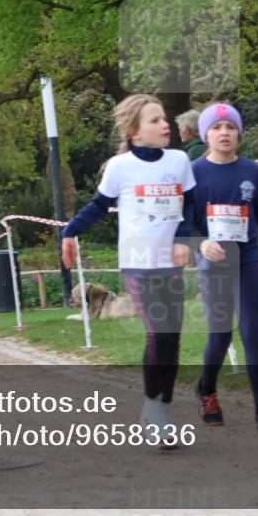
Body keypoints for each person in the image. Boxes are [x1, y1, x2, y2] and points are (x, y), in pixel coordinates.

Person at [61, 94, 195, 449]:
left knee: (173, 339)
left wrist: (184, 238)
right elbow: (98, 206)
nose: (164, 124)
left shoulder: (180, 161)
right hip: (139, 262)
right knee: (159, 335)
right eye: (154, 121)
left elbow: (192, 204)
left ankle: (161, 408)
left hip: (171, 262)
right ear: (134, 132)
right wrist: (70, 230)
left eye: (164, 119)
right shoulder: (120, 168)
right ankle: (155, 410)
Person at [189, 102, 258, 437]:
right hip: (213, 260)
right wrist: (201, 243)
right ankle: (206, 390)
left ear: (239, 133)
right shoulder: (194, 173)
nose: (224, 133)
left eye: (230, 127)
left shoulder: (250, 170)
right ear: (206, 134)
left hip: (246, 257)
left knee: (251, 329)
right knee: (220, 334)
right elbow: (182, 221)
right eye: (217, 128)